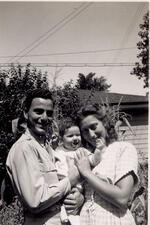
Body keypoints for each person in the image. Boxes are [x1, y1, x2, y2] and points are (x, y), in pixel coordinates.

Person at [6, 88, 84, 225]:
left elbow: (56, 188)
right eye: (38, 111)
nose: (44, 118)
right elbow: (35, 201)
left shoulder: (46, 147)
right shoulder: (24, 148)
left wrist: (78, 198)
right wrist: (71, 180)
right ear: (25, 113)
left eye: (49, 113)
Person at [74, 104, 139, 225]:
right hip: (86, 220)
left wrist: (87, 173)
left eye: (94, 127)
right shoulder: (87, 156)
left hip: (112, 219)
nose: (91, 135)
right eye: (85, 131)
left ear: (105, 123)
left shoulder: (123, 149)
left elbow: (122, 198)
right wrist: (79, 198)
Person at [55, 118, 104, 225]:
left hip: (77, 186)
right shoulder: (58, 151)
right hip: (62, 183)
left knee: (74, 205)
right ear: (61, 139)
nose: (75, 138)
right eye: (70, 136)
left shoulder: (82, 151)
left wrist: (98, 151)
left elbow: (93, 160)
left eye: (77, 135)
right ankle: (63, 217)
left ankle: (72, 220)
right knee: (63, 203)